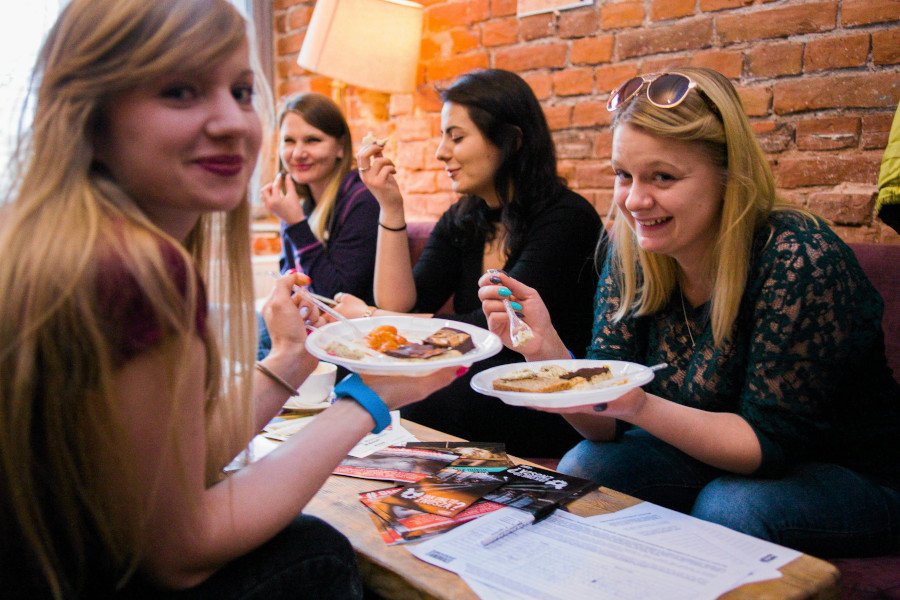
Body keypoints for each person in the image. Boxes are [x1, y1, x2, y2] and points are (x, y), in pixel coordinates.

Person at [0, 1, 457, 597]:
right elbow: (180, 553)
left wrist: (292, 359)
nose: (232, 122)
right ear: (91, 111)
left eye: (241, 91)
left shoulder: (51, 236)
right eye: (181, 90)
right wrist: (368, 397)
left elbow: (171, 465)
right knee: (316, 551)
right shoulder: (132, 265)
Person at [479, 68, 900, 557]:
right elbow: (605, 425)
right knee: (587, 465)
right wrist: (544, 348)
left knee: (731, 508)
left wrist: (638, 406)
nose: (635, 200)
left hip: (850, 470)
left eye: (663, 176)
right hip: (711, 456)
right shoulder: (632, 253)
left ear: (728, 176)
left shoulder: (798, 257)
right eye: (623, 175)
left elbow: (767, 447)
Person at [335, 69, 603, 456]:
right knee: (356, 372)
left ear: (510, 141)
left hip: (547, 395)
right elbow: (404, 303)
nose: (442, 151)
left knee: (437, 393)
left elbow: (501, 326)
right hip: (482, 379)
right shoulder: (466, 217)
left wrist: (375, 320)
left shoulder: (566, 218)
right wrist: (390, 205)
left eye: (456, 137)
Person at [256, 93, 380, 359]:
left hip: (352, 339)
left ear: (339, 148)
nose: (298, 153)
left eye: (312, 140)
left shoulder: (362, 200)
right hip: (310, 327)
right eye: (289, 141)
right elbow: (289, 279)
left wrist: (296, 225)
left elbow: (335, 294)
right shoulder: (303, 202)